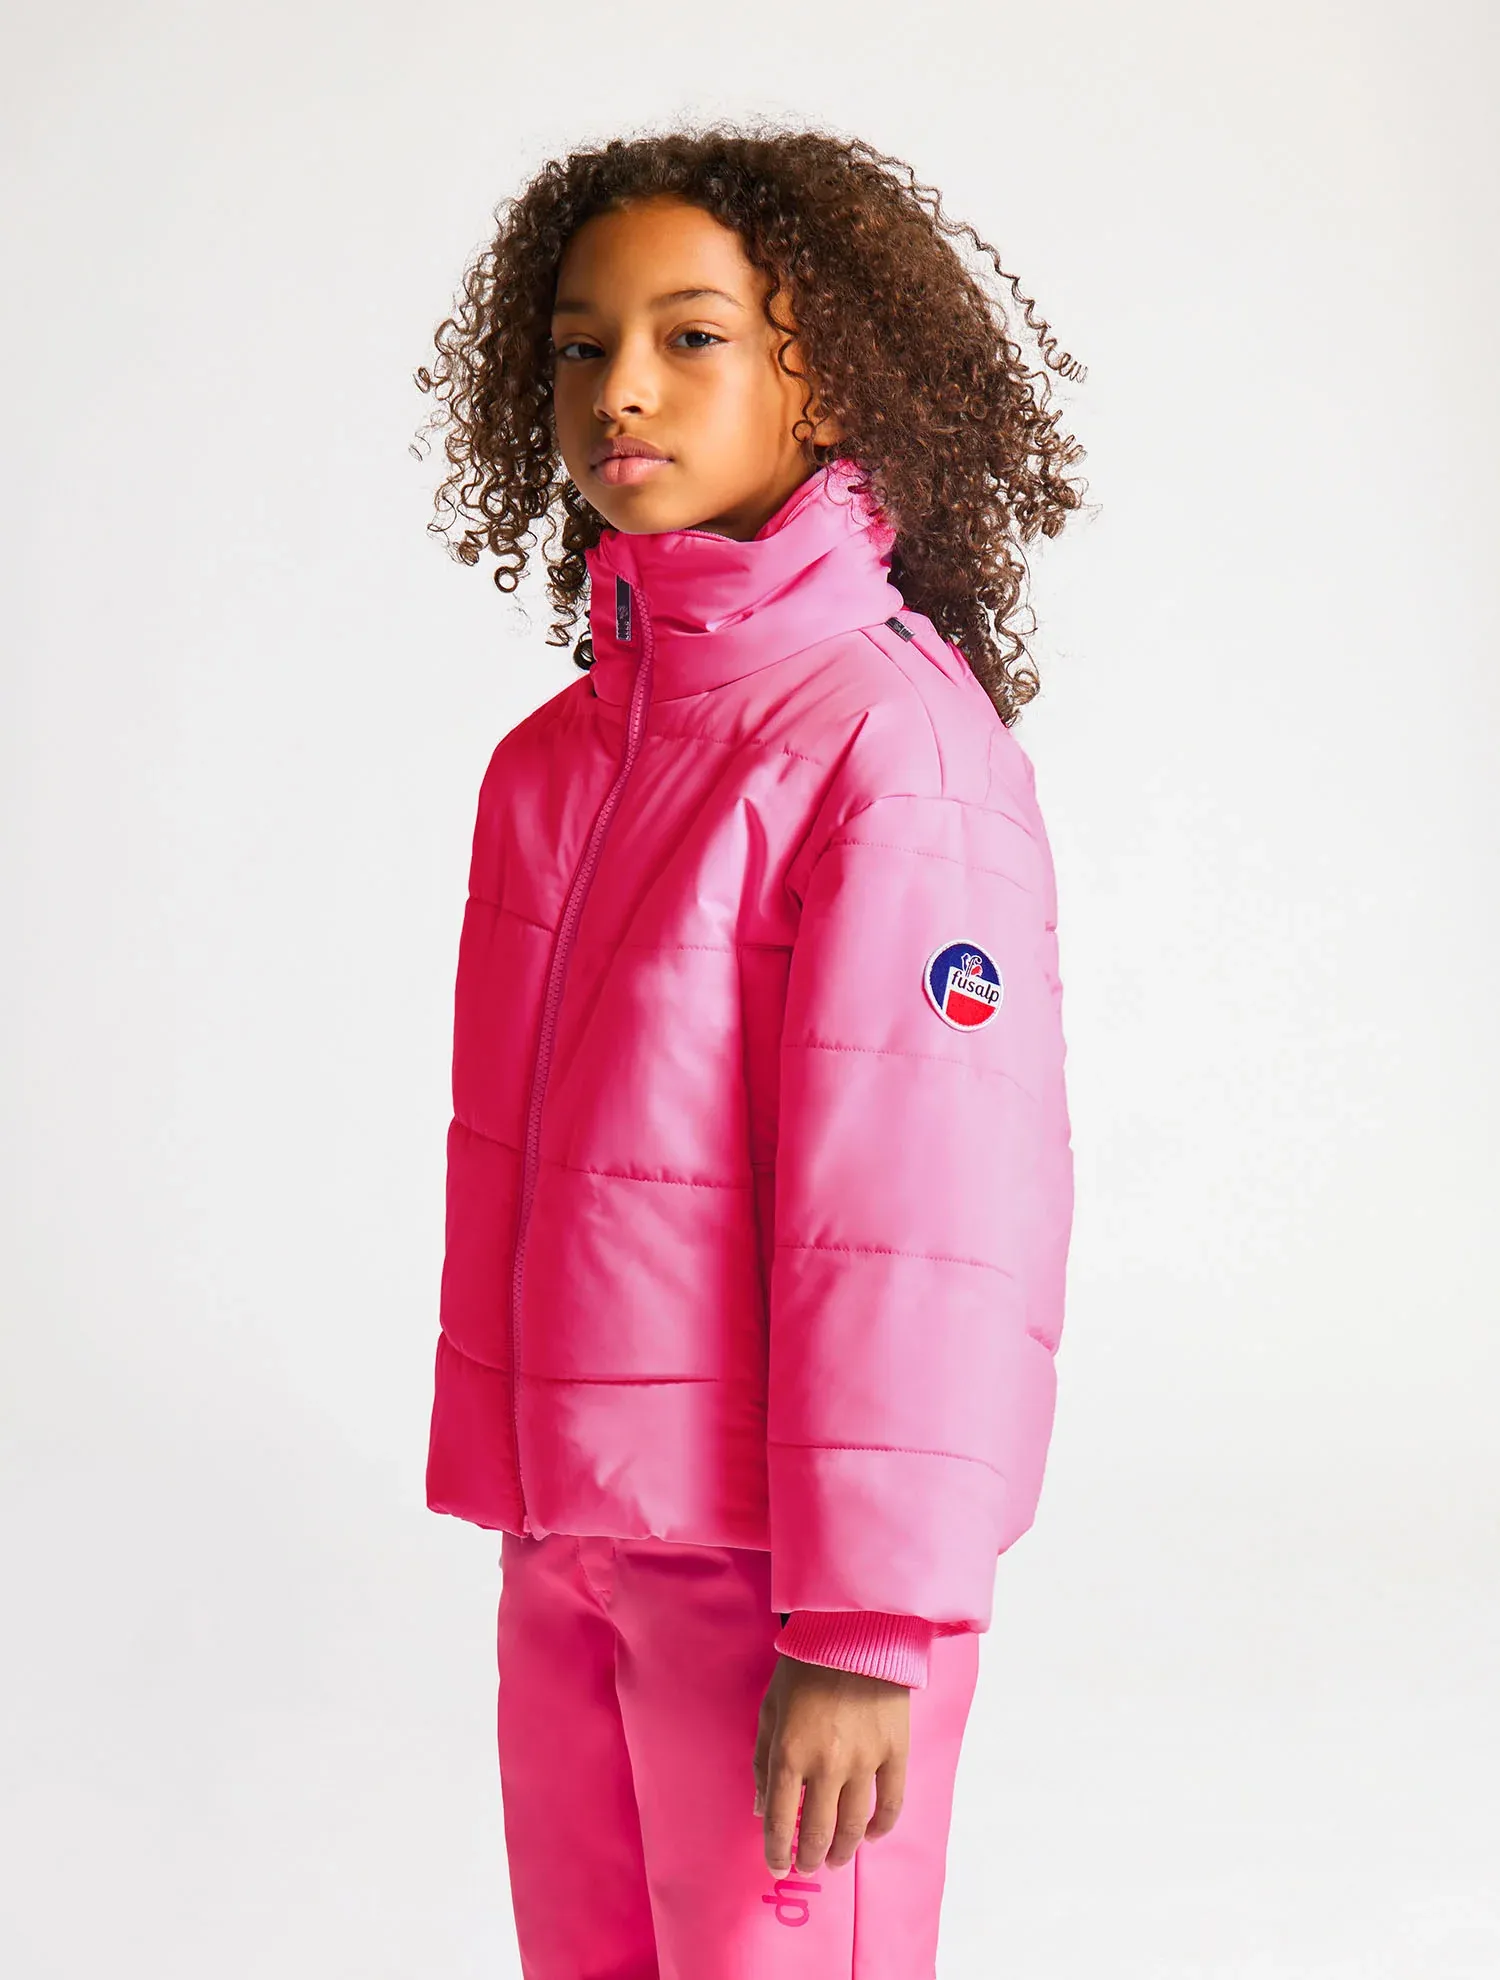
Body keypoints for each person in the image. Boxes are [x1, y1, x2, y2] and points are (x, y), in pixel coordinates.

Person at [415, 121, 1086, 1979]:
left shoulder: (891, 751)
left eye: (690, 335)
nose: (619, 388)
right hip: (573, 1543)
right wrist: (545, 1517)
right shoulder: (556, 767)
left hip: (790, 1580)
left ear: (830, 376)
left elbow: (927, 1215)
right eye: (581, 342)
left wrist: (869, 1623)